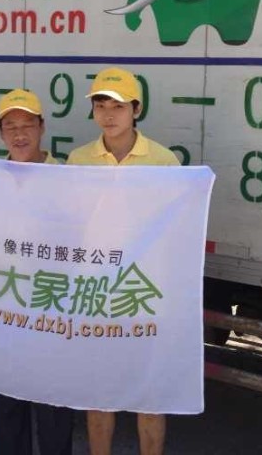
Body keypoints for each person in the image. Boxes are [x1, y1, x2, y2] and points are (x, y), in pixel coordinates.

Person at [66, 68, 179, 455]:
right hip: (94, 292)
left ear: (136, 109)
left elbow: (176, 230)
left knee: (149, 397)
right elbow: (69, 225)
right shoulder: (78, 160)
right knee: (100, 395)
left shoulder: (163, 161)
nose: (108, 114)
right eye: (100, 106)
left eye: (118, 106)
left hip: (143, 292)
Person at [0, 89, 74, 455]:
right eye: (10, 126)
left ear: (42, 127)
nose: (19, 134)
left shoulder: (69, 179)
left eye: (27, 125)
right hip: (4, 303)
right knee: (6, 402)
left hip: (50, 305)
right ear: (0, 133)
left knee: (53, 405)